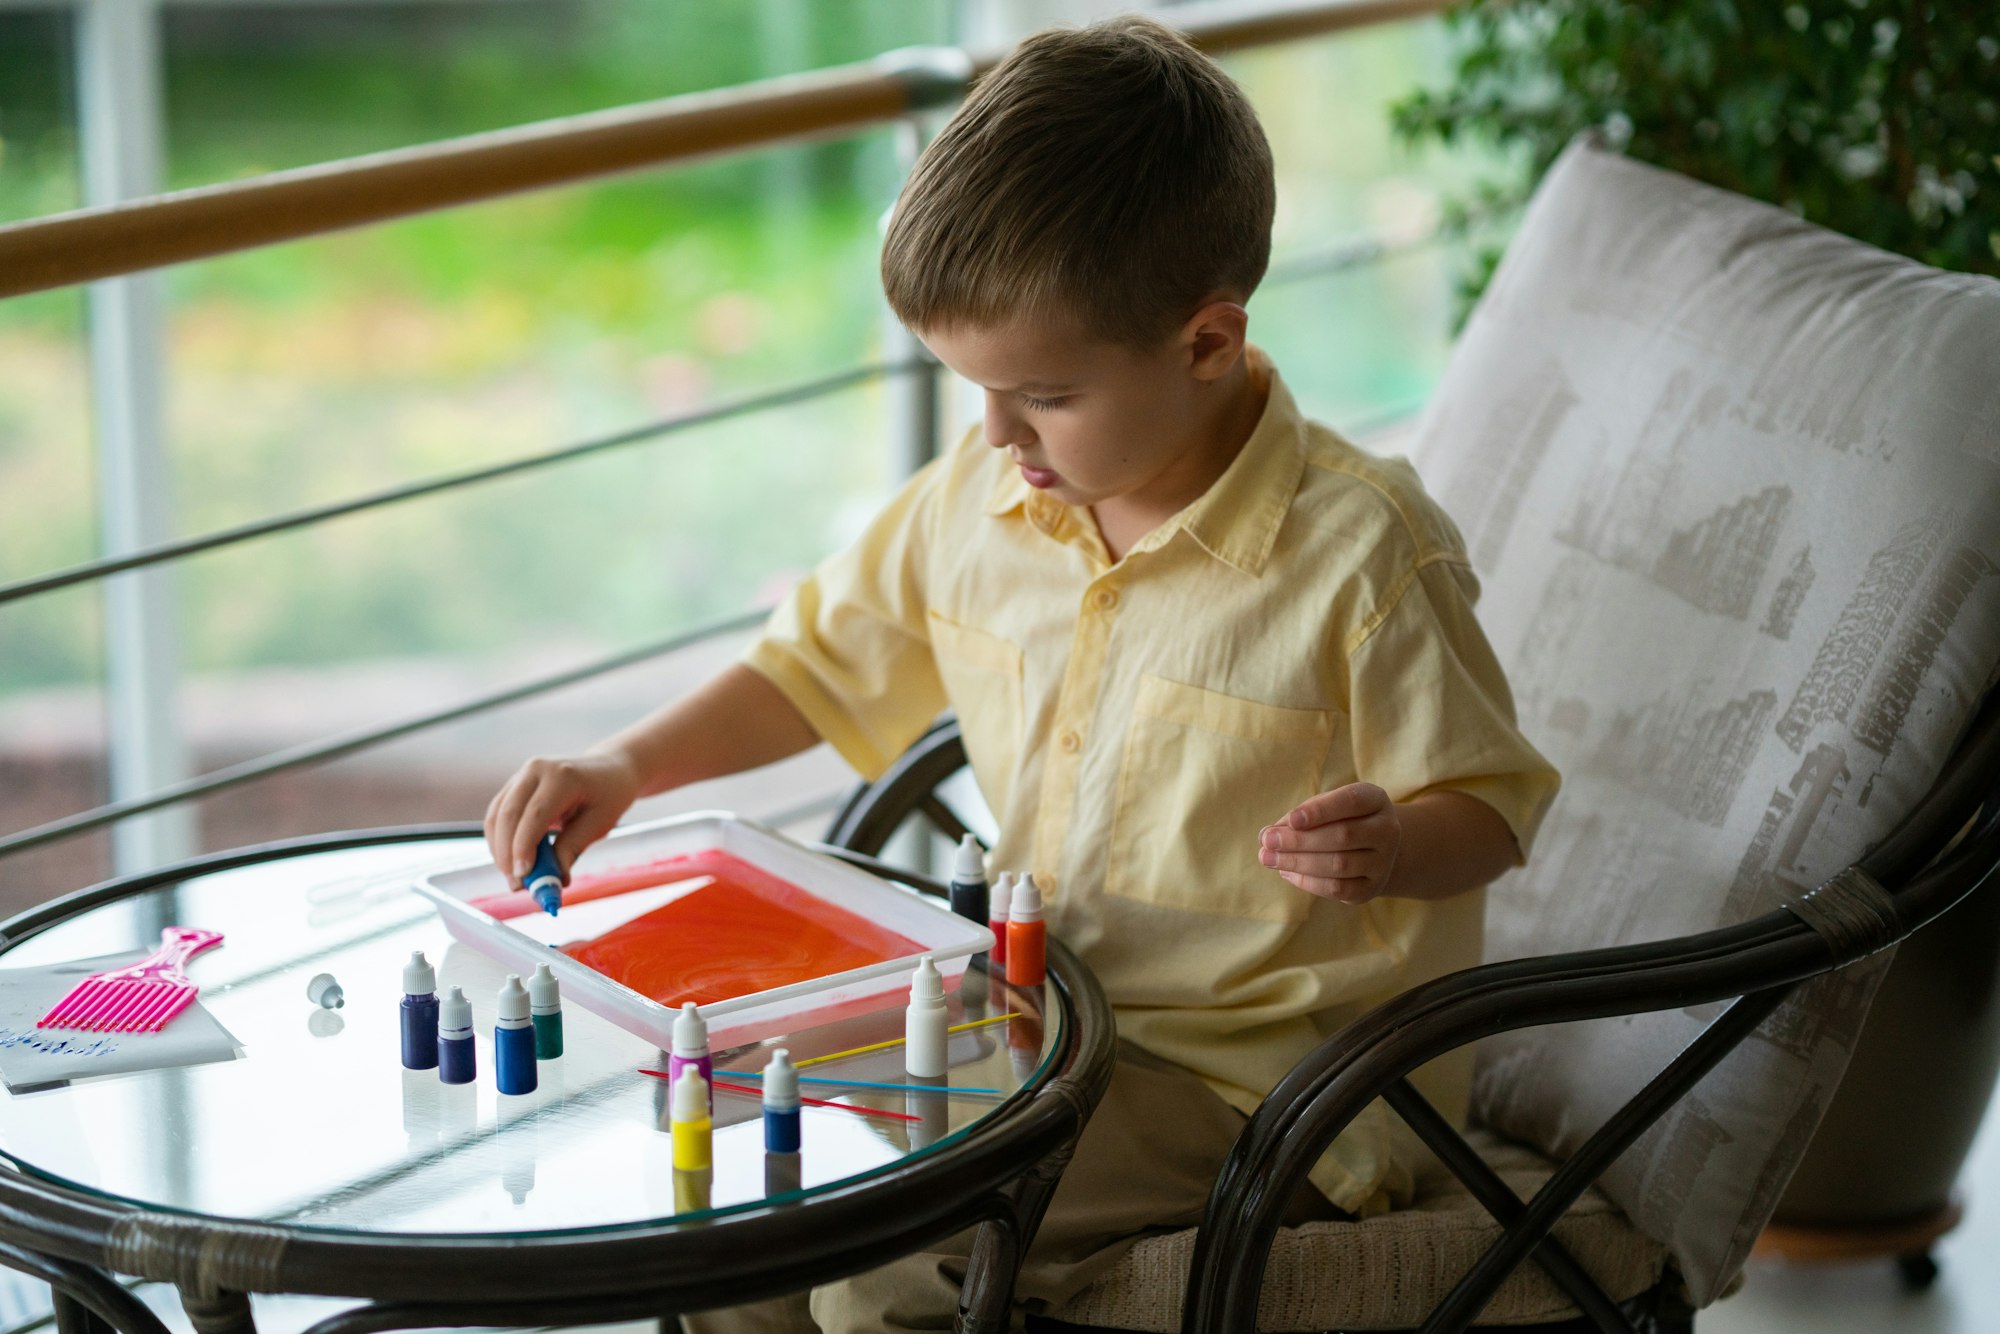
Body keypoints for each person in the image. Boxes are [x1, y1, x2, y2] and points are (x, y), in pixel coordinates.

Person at [484, 15, 1558, 1332]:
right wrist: (629, 764)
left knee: (886, 1254)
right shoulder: (980, 497)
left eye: (1040, 394)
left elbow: (1493, 805)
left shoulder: (1363, 555)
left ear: (1207, 343)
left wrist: (1396, 842)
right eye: (969, 386)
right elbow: (817, 668)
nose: (993, 432)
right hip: (1036, 1027)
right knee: (753, 1207)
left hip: (1265, 1091)